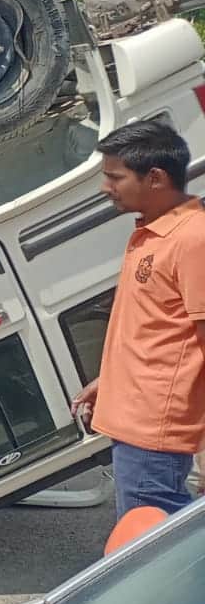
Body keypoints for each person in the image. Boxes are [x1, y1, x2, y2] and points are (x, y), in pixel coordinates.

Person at [72, 120, 205, 517]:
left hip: (154, 427)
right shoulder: (152, 233)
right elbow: (155, 327)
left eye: (115, 177)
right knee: (154, 532)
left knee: (153, 534)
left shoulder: (192, 239)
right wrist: (110, 379)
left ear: (156, 178)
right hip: (137, 419)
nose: (105, 188)